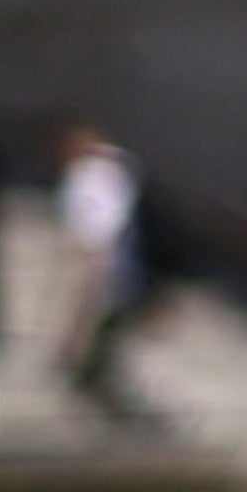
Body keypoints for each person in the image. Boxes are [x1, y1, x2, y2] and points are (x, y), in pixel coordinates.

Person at [42, 118, 154, 427]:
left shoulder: (90, 177)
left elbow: (95, 239)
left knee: (91, 360)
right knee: (97, 363)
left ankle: (137, 422)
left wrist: (82, 296)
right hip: (121, 280)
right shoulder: (116, 171)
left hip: (105, 281)